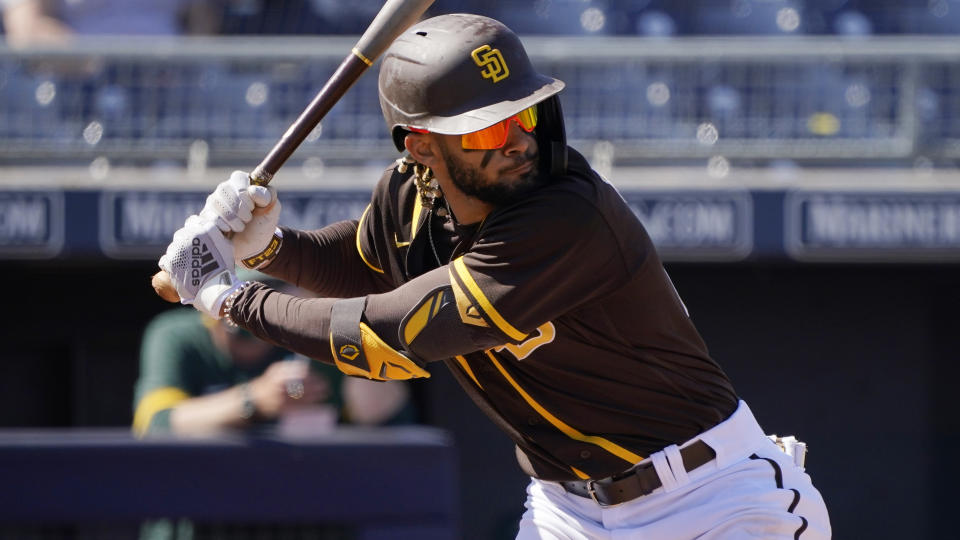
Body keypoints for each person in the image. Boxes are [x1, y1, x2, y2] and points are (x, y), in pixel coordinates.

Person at [157, 13, 831, 539]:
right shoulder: (407, 195)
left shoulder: (567, 213)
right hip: (569, 513)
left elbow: (389, 339)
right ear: (420, 146)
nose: (516, 140)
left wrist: (225, 294)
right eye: (484, 129)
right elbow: (361, 264)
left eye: (523, 114)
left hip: (709, 502)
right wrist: (271, 246)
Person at [133, 272, 415, 438]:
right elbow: (154, 426)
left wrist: (338, 319)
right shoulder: (178, 336)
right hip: (205, 508)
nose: (243, 314)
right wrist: (254, 401)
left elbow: (386, 417)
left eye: (261, 305)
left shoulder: (312, 337)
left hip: (296, 509)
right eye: (231, 302)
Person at [1, 0, 221, 46]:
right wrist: (102, 65)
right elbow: (26, 29)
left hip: (173, 90)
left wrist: (181, 66)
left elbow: (203, 21)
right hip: (72, 93)